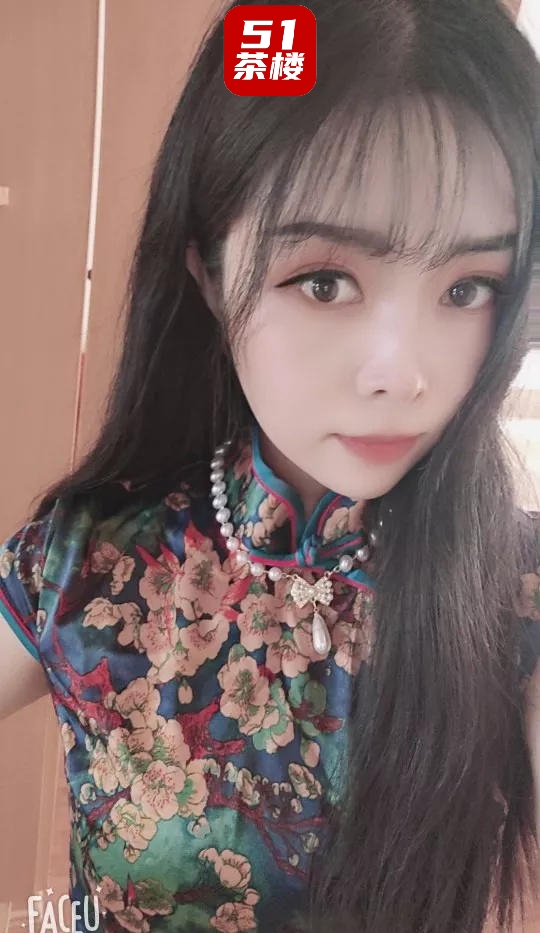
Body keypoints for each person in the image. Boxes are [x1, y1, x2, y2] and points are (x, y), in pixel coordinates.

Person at [1, 0, 540, 930]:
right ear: (209, 273)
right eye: (325, 281)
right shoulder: (90, 559)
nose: (403, 373)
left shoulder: (514, 591)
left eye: (467, 287)